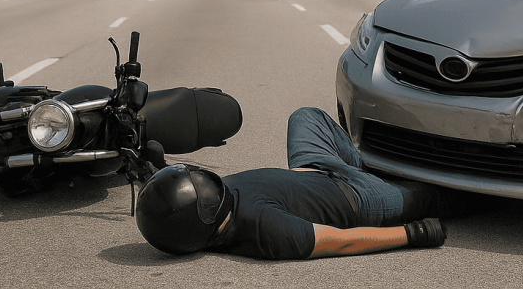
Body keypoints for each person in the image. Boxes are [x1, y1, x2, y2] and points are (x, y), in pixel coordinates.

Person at [135, 107, 476, 260]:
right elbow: (341, 241)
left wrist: (158, 171)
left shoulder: (204, 208)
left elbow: (171, 203)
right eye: (199, 184)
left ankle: (376, 163)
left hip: (315, 168)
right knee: (447, 193)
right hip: (363, 198)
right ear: (204, 218)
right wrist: (412, 234)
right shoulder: (267, 231)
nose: (202, 178)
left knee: (305, 116)